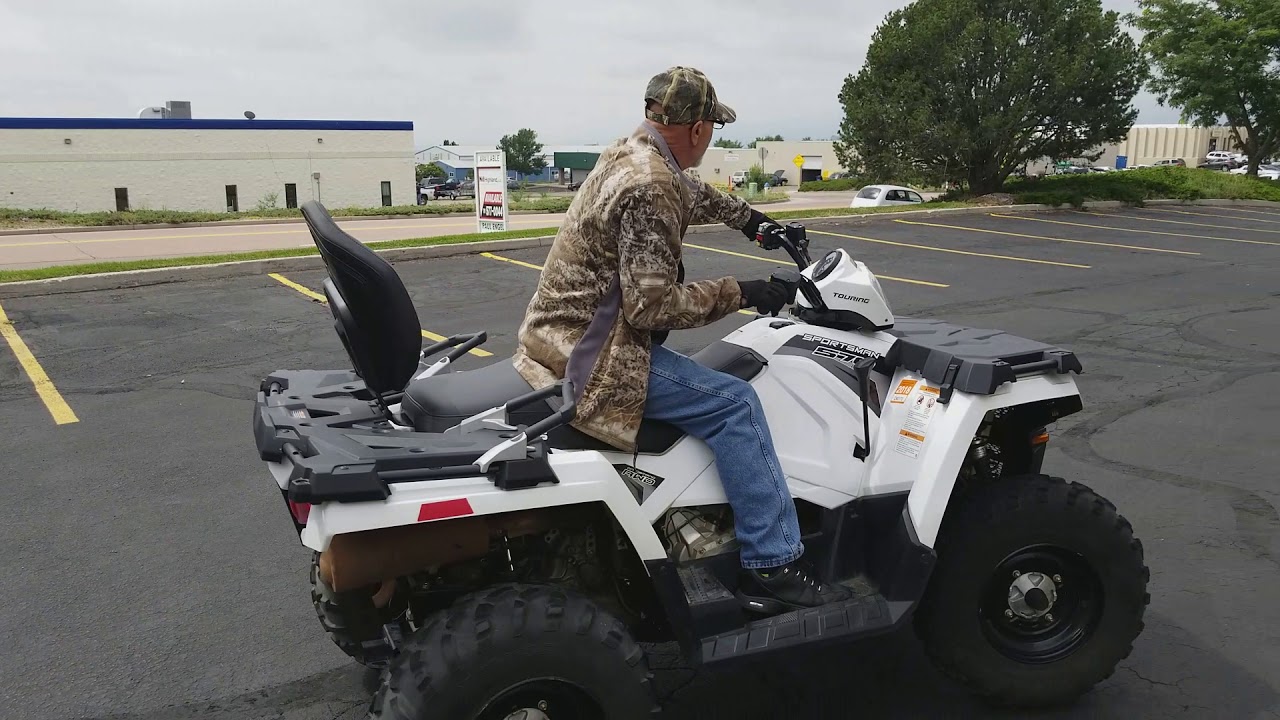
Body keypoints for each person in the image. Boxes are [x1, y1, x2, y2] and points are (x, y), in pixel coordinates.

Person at [513, 66, 850, 611]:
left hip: (558, 337)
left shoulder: (630, 154)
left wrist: (754, 222)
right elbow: (652, 307)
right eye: (713, 126)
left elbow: (689, 189)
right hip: (598, 357)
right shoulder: (650, 187)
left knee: (710, 381)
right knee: (737, 404)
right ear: (698, 129)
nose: (712, 136)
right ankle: (774, 563)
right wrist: (744, 291)